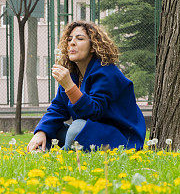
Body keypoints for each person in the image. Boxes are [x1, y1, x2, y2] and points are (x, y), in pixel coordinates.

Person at [27, 20, 146, 152]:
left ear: (93, 46)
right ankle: (40, 151)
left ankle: (63, 156)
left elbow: (94, 112)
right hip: (91, 132)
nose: (72, 43)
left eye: (80, 39)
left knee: (76, 128)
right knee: (53, 129)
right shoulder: (72, 74)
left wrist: (70, 87)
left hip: (121, 139)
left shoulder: (107, 73)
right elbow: (58, 108)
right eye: (69, 39)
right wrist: (41, 132)